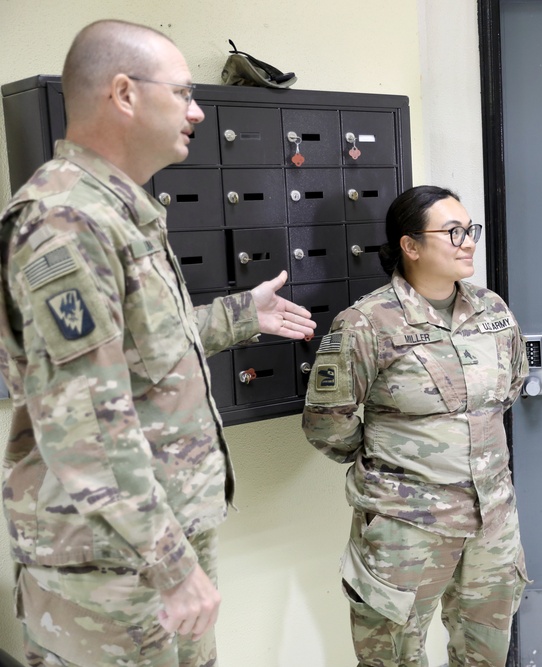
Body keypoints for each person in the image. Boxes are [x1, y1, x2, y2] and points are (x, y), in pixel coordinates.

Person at [0, 20, 316, 666]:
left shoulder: (118, 210)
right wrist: (172, 563)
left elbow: (144, 350)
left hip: (156, 541)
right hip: (109, 572)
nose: (198, 110)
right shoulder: (65, 222)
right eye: (182, 93)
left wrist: (240, 314)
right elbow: (86, 425)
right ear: (124, 94)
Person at [302, 185, 529, 666]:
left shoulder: (493, 311)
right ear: (410, 246)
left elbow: (507, 389)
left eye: (471, 230)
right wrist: (393, 468)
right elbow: (327, 423)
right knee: (393, 656)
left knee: (485, 653)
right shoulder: (367, 323)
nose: (468, 241)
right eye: (453, 231)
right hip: (407, 526)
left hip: (492, 518)